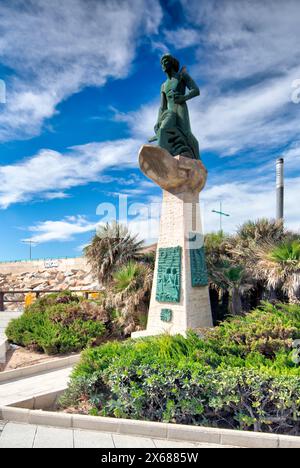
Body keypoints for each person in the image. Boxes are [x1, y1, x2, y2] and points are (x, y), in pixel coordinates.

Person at [153, 54, 201, 160]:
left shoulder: (182, 76)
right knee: (164, 130)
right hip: (169, 111)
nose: (163, 64)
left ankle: (196, 158)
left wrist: (184, 97)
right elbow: (162, 106)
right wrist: (158, 120)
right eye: (161, 63)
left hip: (180, 108)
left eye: (165, 61)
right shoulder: (163, 85)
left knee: (186, 133)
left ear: (172, 63)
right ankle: (168, 154)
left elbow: (196, 90)